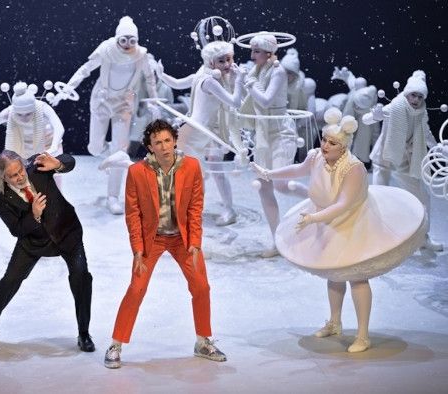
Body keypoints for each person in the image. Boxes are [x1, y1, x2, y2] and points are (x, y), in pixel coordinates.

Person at [252, 108, 426, 353]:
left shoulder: (353, 168)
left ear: (343, 146)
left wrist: (314, 217)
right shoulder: (315, 156)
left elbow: (343, 204)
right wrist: (270, 173)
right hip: (326, 217)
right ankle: (335, 322)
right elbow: (298, 169)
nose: (325, 145)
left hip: (352, 221)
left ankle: (363, 335)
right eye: (324, 139)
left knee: (356, 274)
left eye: (332, 142)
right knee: (333, 272)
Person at [104, 119, 226, 369]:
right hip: (153, 238)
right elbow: (133, 214)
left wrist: (195, 242)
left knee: (201, 287)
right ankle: (116, 344)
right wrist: (138, 249)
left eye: (167, 140)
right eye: (157, 142)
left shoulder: (191, 166)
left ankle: (203, 341)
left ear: (174, 141)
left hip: (182, 239)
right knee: (136, 288)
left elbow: (195, 208)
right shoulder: (137, 172)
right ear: (149, 146)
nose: (164, 146)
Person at [0, 150, 94, 352]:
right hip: (33, 242)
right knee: (9, 281)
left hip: (67, 233)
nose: (20, 177)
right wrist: (34, 214)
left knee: (81, 276)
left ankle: (84, 333)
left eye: (20, 171)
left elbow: (70, 160)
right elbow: (16, 230)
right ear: (3, 177)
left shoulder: (38, 169)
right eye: (13, 176)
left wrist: (58, 164)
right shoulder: (1, 201)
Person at [50, 16, 158, 215]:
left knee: (119, 152)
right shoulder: (106, 50)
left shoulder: (141, 55)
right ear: (117, 38)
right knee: (95, 147)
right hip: (102, 101)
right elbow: (85, 70)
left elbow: (150, 79)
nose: (127, 45)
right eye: (123, 40)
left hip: (124, 104)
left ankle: (113, 196)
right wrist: (67, 89)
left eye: (132, 40)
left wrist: (155, 100)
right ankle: (110, 157)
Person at [158, 40, 245, 226]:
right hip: (197, 132)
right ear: (211, 63)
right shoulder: (209, 80)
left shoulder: (205, 75)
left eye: (229, 59)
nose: (228, 64)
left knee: (212, 171)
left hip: (208, 131)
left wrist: (162, 75)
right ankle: (193, 210)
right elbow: (235, 102)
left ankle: (224, 210)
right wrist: (239, 80)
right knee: (195, 173)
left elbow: (177, 83)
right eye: (222, 61)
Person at [240, 33, 308, 257]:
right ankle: (276, 239)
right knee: (264, 187)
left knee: (280, 184)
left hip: (280, 131)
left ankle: (319, 199)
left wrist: (250, 85)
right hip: (262, 133)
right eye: (252, 51)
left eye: (256, 51)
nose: (252, 55)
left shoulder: (277, 71)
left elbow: (267, 100)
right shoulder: (256, 71)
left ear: (269, 52)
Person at [363, 70, 443, 251]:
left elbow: (427, 133)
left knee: (422, 198)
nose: (416, 100)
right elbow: (367, 119)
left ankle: (422, 237)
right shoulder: (395, 106)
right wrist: (374, 116)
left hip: (406, 161)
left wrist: (437, 147)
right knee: (377, 198)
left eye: (420, 96)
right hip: (384, 159)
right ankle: (376, 239)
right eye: (413, 95)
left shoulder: (422, 113)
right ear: (407, 93)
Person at [0, 82, 65, 186]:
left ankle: (56, 198)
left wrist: (53, 146)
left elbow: (59, 127)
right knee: (23, 174)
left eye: (28, 113)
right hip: (23, 147)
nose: (24, 118)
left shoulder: (43, 107)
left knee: (53, 175)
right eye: (20, 114)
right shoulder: (11, 111)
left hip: (49, 144)